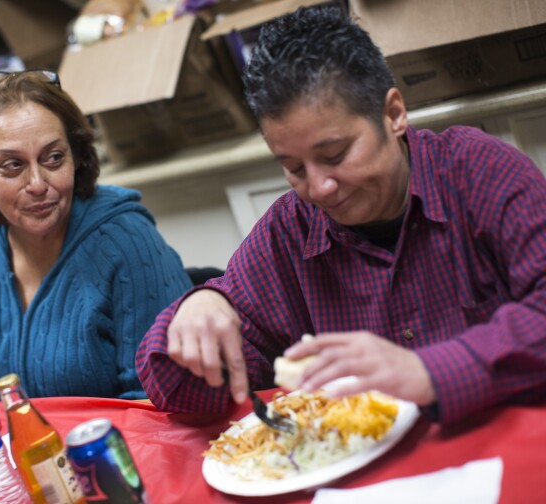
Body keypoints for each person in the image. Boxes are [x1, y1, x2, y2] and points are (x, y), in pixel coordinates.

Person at [136, 2, 546, 425]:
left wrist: (427, 371)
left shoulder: (478, 172)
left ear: (393, 115)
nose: (319, 188)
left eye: (334, 155)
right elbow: (183, 394)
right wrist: (200, 306)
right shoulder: (290, 231)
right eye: (293, 168)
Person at [0, 70, 191, 411]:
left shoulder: (125, 240)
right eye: (13, 165)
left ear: (78, 157)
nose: (38, 183)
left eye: (54, 158)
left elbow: (161, 400)